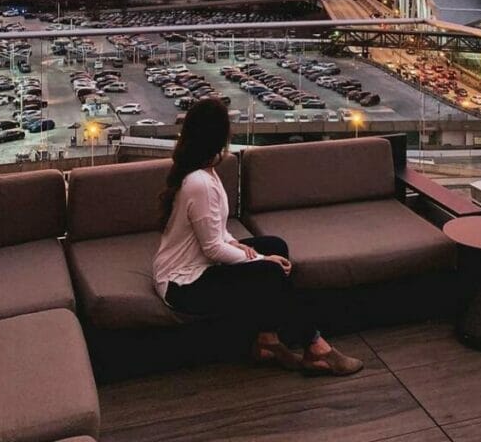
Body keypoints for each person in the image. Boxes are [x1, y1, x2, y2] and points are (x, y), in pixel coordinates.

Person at [153, 97, 362, 376]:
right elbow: (213, 249)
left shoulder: (204, 172)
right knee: (271, 271)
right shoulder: (200, 183)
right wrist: (262, 260)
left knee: (276, 245)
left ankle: (268, 340)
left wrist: (238, 244)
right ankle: (316, 347)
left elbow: (216, 231)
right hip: (184, 284)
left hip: (199, 266)